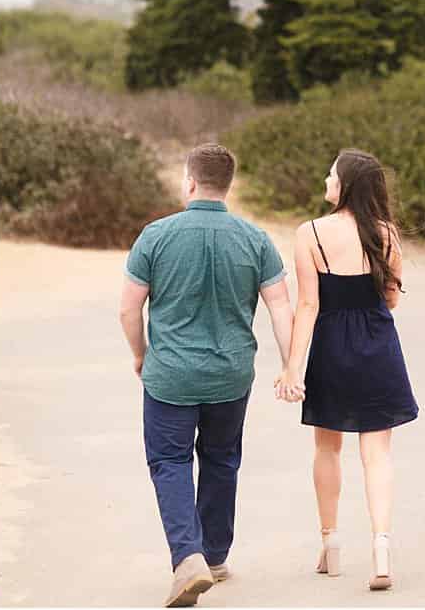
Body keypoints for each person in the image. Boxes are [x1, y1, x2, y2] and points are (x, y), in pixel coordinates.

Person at [120, 143, 296, 608]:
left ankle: (188, 558)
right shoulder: (255, 239)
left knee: (170, 461)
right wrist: (289, 364)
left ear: (190, 181)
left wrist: (140, 355)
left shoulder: (156, 236)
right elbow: (281, 307)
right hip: (230, 376)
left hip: (170, 376)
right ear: (228, 185)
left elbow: (128, 308)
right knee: (221, 460)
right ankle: (214, 556)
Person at [275, 148, 418, 593]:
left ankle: (330, 543)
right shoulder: (387, 234)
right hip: (377, 346)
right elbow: (391, 296)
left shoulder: (309, 234)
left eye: (331, 173)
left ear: (346, 184)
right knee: (377, 454)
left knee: (327, 449)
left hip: (331, 349)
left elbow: (308, 304)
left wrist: (293, 368)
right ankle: (380, 550)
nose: (325, 178)